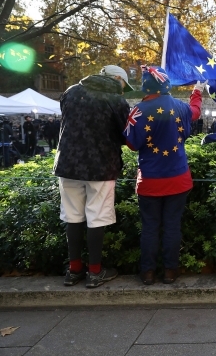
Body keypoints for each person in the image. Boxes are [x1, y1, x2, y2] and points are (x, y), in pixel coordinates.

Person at [124, 66, 204, 285]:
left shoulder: (138, 110)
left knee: (150, 227)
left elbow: (131, 144)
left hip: (149, 180)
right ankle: (170, 271)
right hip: (178, 178)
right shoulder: (179, 107)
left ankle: (148, 273)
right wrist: (197, 91)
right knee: (172, 226)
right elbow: (195, 112)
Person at [54, 64, 132, 288]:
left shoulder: (71, 92)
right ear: (117, 78)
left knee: (72, 216)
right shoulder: (115, 99)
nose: (123, 90)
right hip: (101, 166)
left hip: (68, 164)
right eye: (123, 84)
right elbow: (125, 135)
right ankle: (96, 272)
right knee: (97, 215)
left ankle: (75, 269)